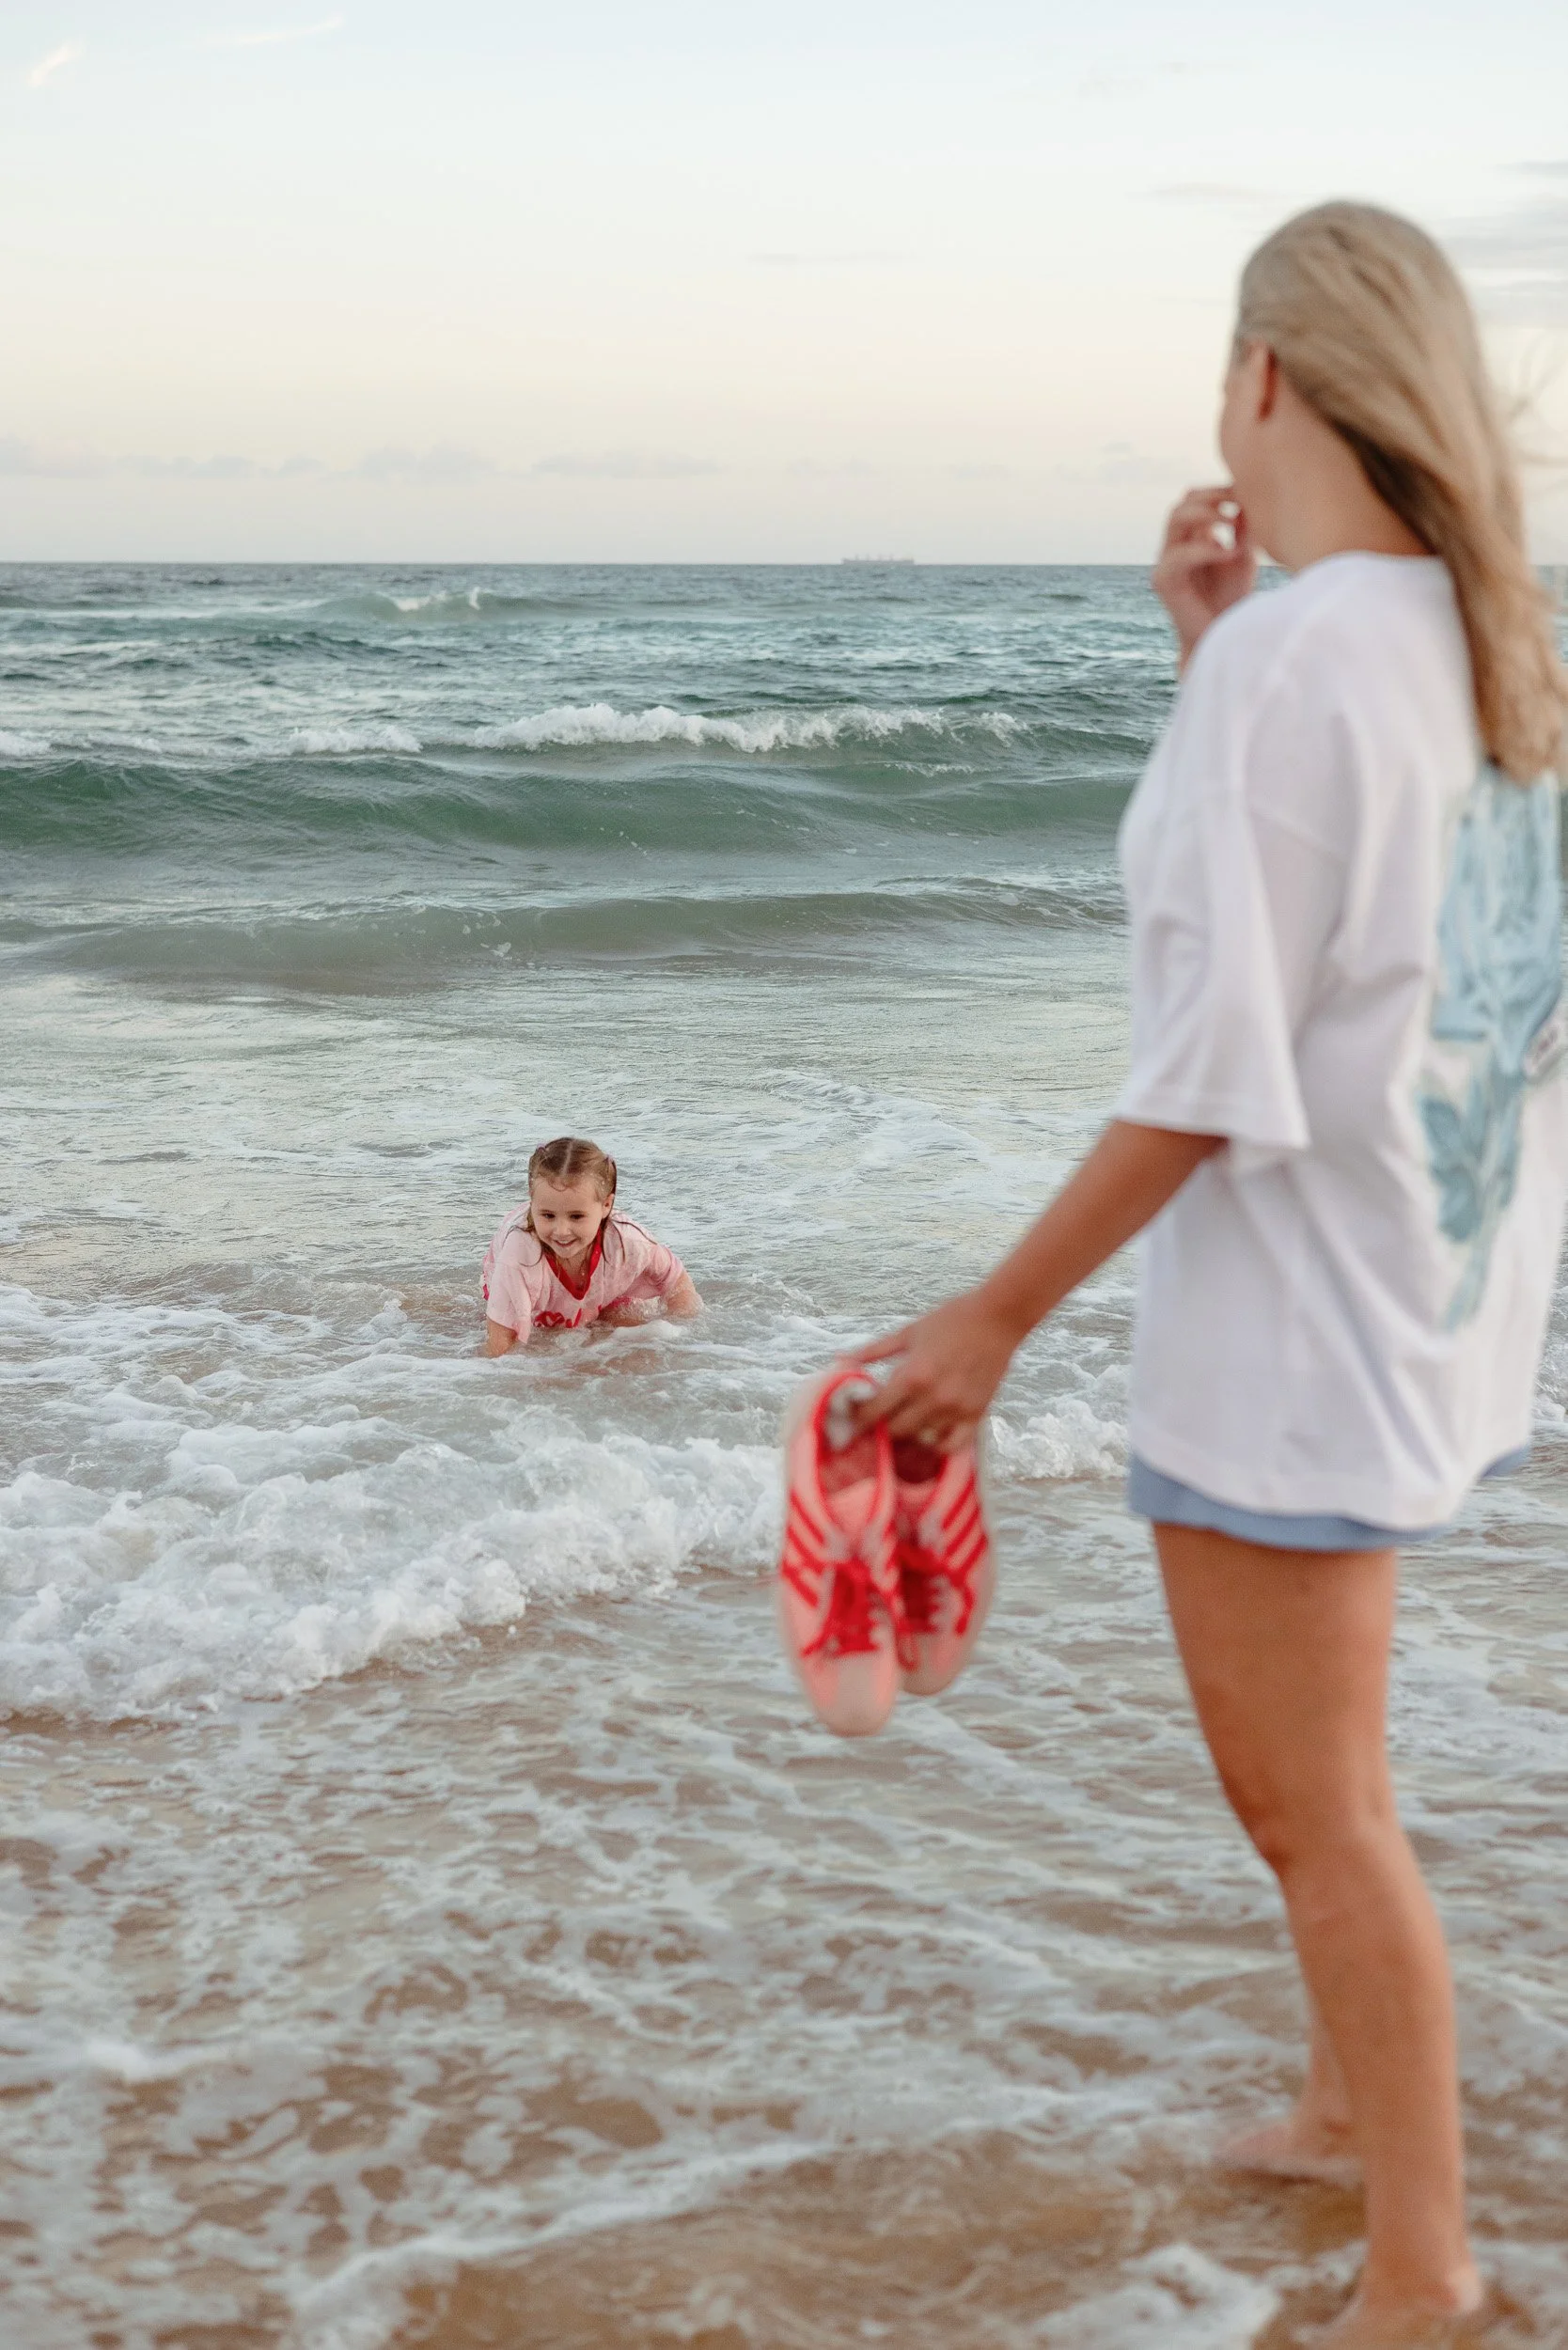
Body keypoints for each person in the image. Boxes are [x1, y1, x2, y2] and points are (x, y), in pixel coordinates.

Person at [854, 202, 1568, 2346]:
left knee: (1312, 1805)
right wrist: (1202, 646)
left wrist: (988, 1320)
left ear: (1268, 376)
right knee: (1329, 1780)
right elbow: (1383, 951)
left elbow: (1205, 1063)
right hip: (1420, 1301)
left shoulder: (1304, 658)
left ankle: (1425, 2276)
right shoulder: (1472, 637)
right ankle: (1350, 2121)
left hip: (1287, 1333)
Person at [482, 1136, 701, 1355]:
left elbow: (676, 1281)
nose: (561, 1230)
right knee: (544, 1333)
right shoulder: (517, 1257)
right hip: (518, 1271)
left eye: (576, 1216)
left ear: (606, 1205)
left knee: (624, 1336)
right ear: (532, 1201)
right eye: (548, 1215)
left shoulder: (628, 1241)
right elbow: (499, 1347)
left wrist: (681, 1336)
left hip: (603, 1280)